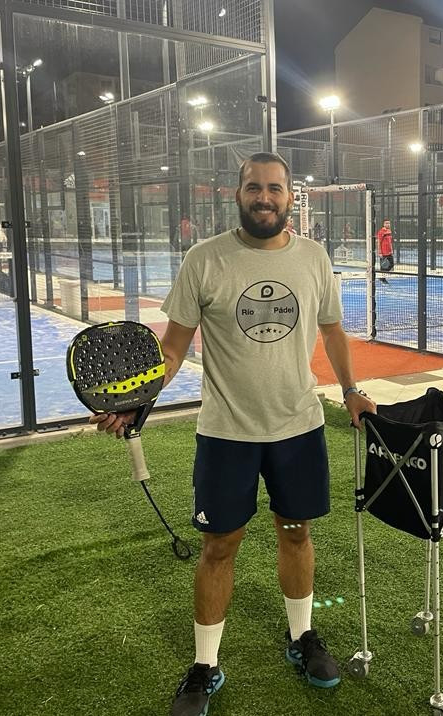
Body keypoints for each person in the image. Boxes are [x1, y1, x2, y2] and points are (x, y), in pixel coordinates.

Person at [90, 152, 376, 716]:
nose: (264, 197)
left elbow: (333, 330)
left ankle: (302, 637)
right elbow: (173, 347)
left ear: (290, 196)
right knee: (219, 546)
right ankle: (205, 665)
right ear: (237, 193)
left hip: (298, 427)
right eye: (253, 188)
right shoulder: (205, 259)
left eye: (274, 188)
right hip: (226, 433)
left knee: (295, 532)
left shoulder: (314, 258)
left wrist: (350, 389)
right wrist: (139, 395)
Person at [376, 218, 394, 284]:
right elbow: (379, 243)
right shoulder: (381, 232)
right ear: (383, 224)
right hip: (383, 253)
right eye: (386, 223)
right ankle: (383, 279)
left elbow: (390, 242)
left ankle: (382, 276)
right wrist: (380, 252)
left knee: (391, 264)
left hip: (389, 252)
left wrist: (391, 250)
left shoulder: (389, 231)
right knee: (383, 266)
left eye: (389, 223)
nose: (388, 224)